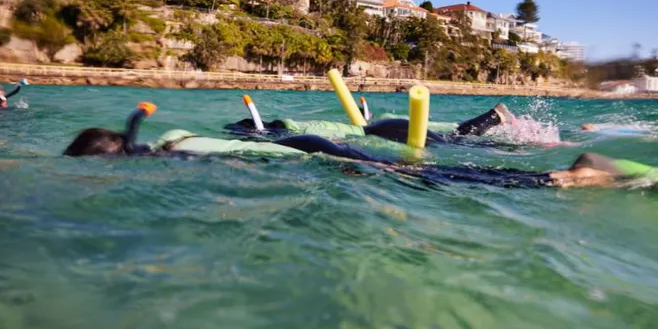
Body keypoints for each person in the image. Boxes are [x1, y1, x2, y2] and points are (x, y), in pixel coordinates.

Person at [63, 102, 628, 189]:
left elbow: (133, 148)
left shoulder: (151, 154)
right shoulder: (178, 140)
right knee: (425, 173)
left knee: (420, 176)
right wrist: (137, 118)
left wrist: (133, 123)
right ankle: (547, 177)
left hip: (315, 153)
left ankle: (554, 180)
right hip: (310, 146)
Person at [225, 103, 516, 145]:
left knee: (450, 142)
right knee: (449, 139)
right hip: (385, 127)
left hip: (385, 131)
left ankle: (493, 119)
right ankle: (493, 117)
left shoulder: (296, 131)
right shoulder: (301, 124)